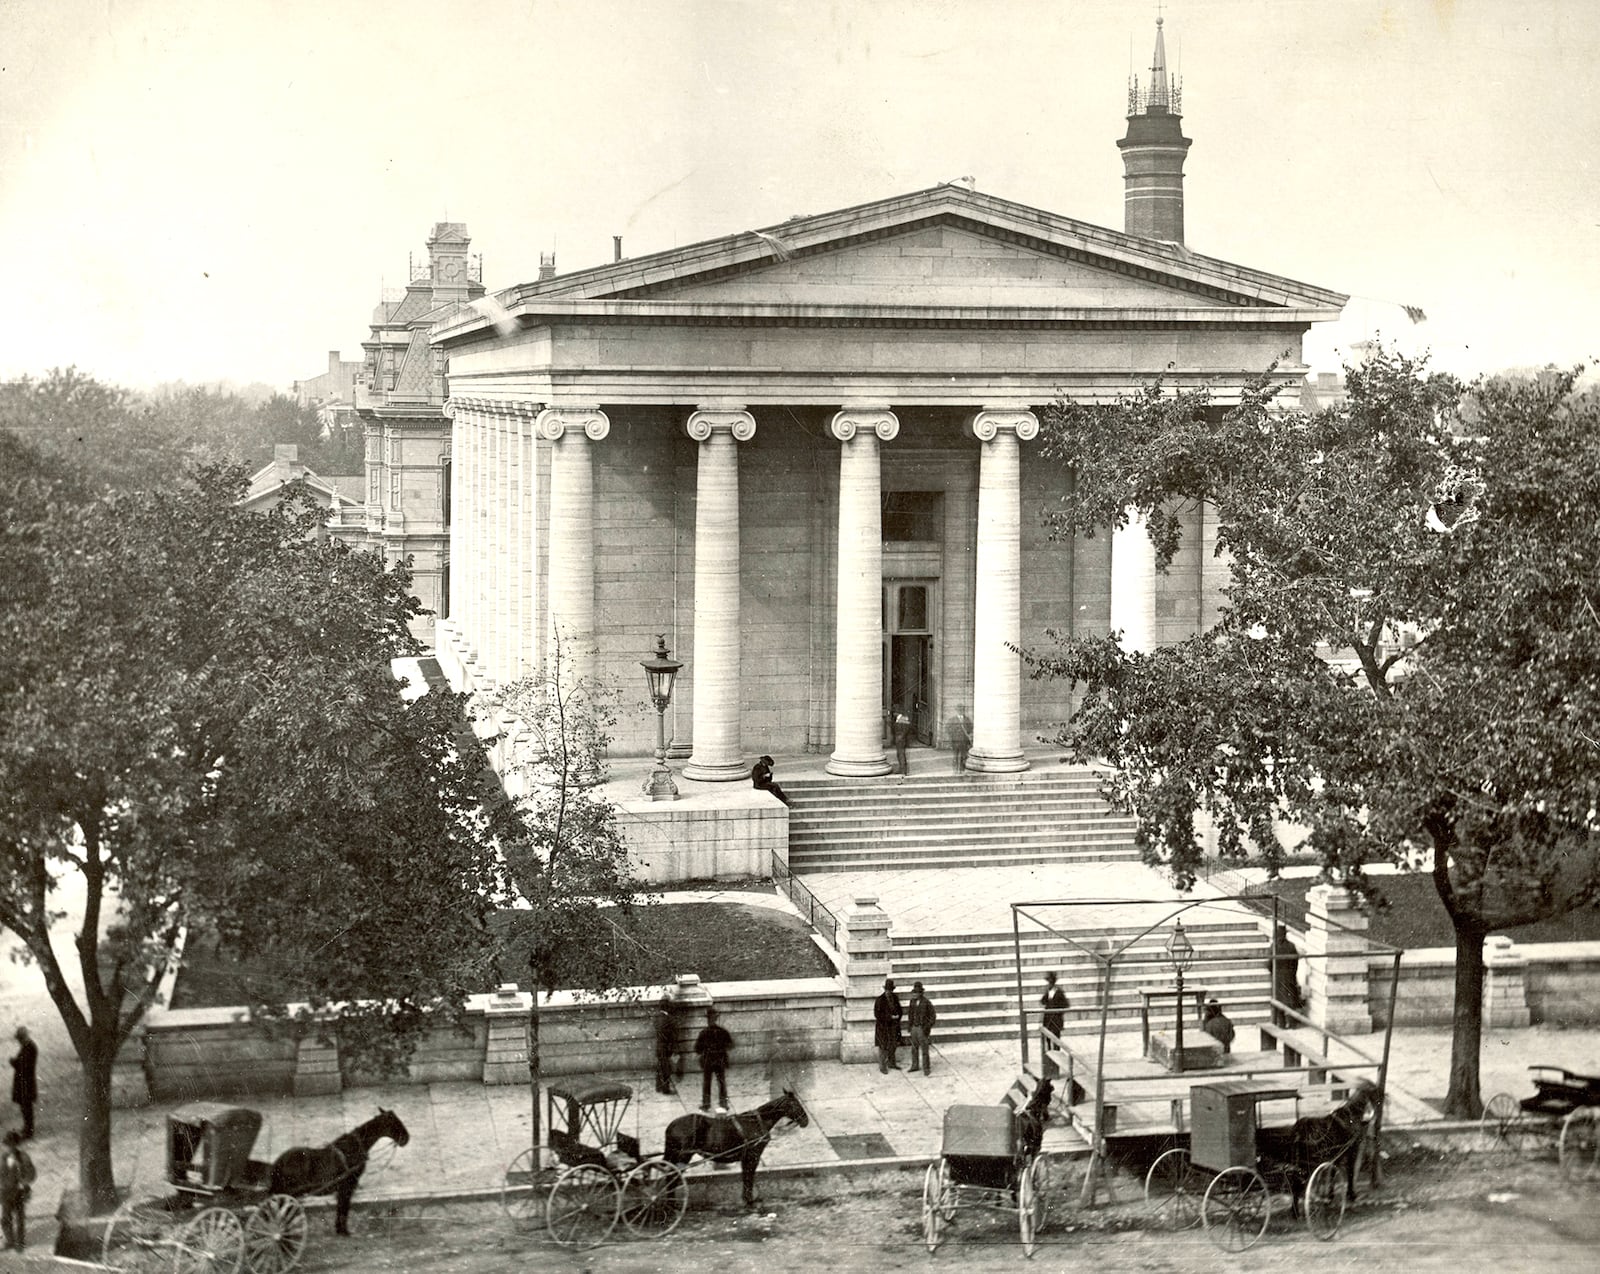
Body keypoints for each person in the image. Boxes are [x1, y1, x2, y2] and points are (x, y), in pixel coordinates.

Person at [694, 1007, 733, 1111]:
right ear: (716, 1019)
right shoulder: (723, 1031)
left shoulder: (703, 1033)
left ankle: (706, 1104)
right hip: (720, 1060)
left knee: (707, 1082)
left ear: (707, 1019)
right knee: (721, 1082)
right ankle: (723, 1103)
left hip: (708, 1060)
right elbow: (730, 1045)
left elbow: (697, 1049)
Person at [0, 1130, 33, 1252]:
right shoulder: (3, 1158)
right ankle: (10, 1241)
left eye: (13, 1145)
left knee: (20, 1218)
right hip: (5, 1192)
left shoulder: (24, 1157)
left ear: (17, 1145)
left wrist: (24, 1181)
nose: (10, 1148)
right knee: (5, 1218)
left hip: (19, 1192)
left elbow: (32, 1174)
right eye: (8, 1145)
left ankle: (20, 1242)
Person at [1271, 924, 1304, 1026]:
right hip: (1290, 977)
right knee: (1290, 1002)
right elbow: (1295, 962)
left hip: (1278, 978)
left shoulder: (1274, 947)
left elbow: (1269, 964)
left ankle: (1281, 1023)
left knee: (1279, 1001)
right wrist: (1292, 973)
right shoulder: (1291, 946)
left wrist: (1274, 973)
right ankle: (1292, 1023)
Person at [1039, 972, 1069, 1078]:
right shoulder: (1048, 992)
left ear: (1054, 982)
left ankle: (1056, 1069)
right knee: (1047, 1042)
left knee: (1056, 1043)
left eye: (1051, 982)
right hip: (1048, 1020)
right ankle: (1049, 1069)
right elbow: (1042, 1001)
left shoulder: (1059, 993)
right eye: (1048, 982)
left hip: (1055, 1020)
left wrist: (1057, 1012)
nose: (1049, 984)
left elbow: (1066, 1005)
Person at [906, 981, 937, 1075]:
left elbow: (933, 1016)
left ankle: (926, 1068)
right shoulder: (912, 1002)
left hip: (922, 1029)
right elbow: (910, 1014)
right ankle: (915, 1065)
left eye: (916, 992)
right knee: (914, 1048)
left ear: (921, 993)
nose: (914, 994)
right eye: (914, 992)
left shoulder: (926, 1002)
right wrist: (910, 1026)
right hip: (914, 1028)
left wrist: (927, 1027)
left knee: (924, 1049)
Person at [873, 977, 903, 1073]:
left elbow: (900, 1010)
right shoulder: (880, 1000)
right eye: (887, 990)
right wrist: (890, 1017)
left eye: (890, 990)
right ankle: (882, 1066)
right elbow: (877, 1014)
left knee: (893, 1045)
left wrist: (898, 1016)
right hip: (883, 1028)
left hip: (893, 1027)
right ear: (885, 990)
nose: (888, 992)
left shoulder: (895, 998)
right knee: (883, 1047)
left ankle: (892, 1063)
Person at [9, 1029, 35, 1140]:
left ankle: (28, 1130)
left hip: (25, 1083)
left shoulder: (29, 1048)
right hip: (25, 1083)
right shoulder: (29, 1046)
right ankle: (27, 1128)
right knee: (25, 1107)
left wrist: (14, 1062)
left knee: (26, 1107)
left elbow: (24, 1065)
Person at [654, 993, 677, 1095]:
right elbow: (671, 1035)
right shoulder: (669, 1019)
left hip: (659, 1046)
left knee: (660, 1067)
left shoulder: (657, 1017)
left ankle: (658, 1086)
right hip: (666, 1047)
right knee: (666, 1069)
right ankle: (666, 1089)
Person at [947, 708, 971, 773]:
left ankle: (961, 770)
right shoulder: (952, 720)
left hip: (964, 741)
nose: (960, 711)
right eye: (959, 710)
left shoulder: (967, 719)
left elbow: (970, 728)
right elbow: (949, 729)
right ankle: (955, 770)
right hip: (955, 741)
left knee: (963, 756)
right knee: (955, 756)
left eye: (962, 710)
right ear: (957, 711)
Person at [892, 709, 912, 776]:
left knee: (901, 754)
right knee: (900, 754)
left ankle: (903, 771)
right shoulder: (903, 720)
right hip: (901, 739)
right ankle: (901, 769)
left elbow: (900, 732)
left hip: (901, 740)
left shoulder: (901, 721)